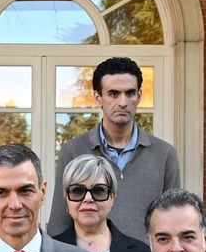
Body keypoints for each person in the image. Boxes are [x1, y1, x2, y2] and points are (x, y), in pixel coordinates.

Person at [48, 56, 181, 242]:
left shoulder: (164, 154)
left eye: (130, 93)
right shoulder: (73, 151)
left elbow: (174, 221)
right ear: (98, 97)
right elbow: (59, 222)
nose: (123, 102)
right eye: (113, 93)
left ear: (139, 96)